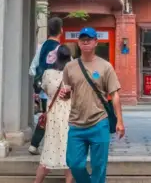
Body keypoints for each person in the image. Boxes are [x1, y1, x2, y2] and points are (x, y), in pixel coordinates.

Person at [60, 27, 125, 183]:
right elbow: (69, 90)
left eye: (89, 39)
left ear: (96, 42)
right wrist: (66, 94)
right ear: (78, 43)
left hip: (99, 122)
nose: (86, 42)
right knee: (74, 163)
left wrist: (120, 121)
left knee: (99, 167)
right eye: (83, 39)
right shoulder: (70, 67)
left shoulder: (105, 66)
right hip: (76, 124)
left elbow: (115, 94)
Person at [33, 44, 74, 183]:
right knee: (69, 148)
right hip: (69, 113)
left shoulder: (47, 74)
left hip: (53, 112)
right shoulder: (72, 74)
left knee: (50, 146)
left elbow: (44, 88)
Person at [29, 16, 64, 155]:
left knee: (46, 115)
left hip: (44, 90)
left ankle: (34, 144)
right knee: (58, 117)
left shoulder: (41, 47)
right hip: (59, 90)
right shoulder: (62, 49)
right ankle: (55, 147)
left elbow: (32, 68)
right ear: (61, 30)